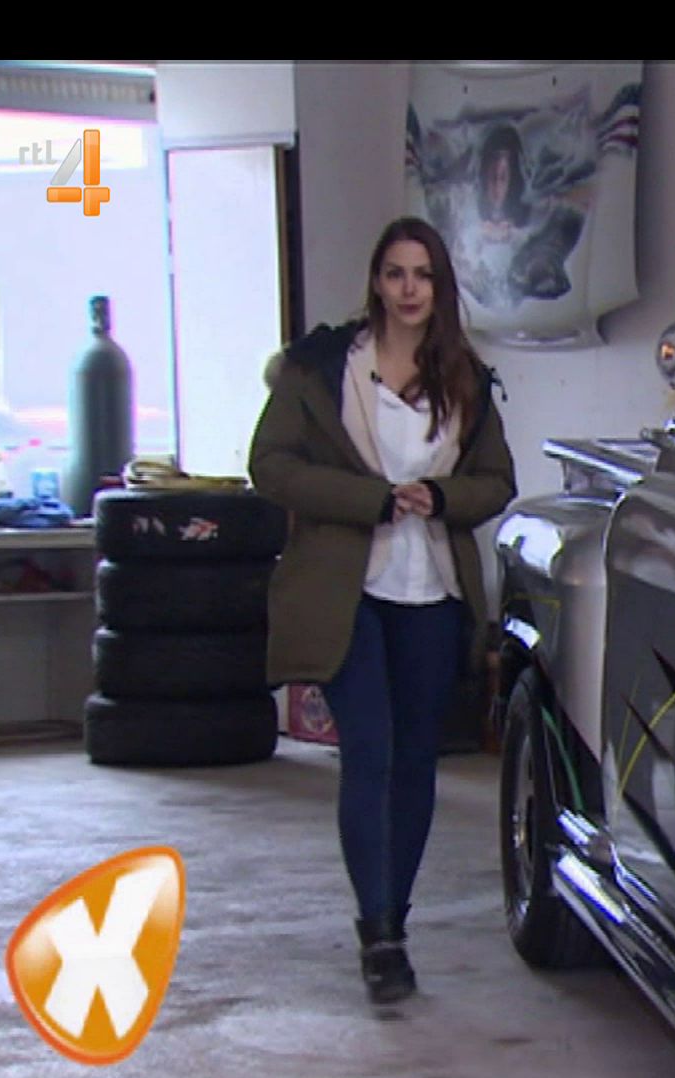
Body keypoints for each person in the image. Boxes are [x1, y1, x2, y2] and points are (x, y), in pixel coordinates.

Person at [249, 216, 517, 1005]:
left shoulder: (467, 377)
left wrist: (440, 495)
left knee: (414, 761)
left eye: (422, 275)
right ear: (376, 281)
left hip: (431, 590)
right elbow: (270, 465)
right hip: (347, 590)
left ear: (440, 286)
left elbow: (496, 481)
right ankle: (377, 932)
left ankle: (395, 916)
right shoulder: (322, 368)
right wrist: (365, 498)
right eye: (395, 273)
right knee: (369, 751)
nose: (408, 289)